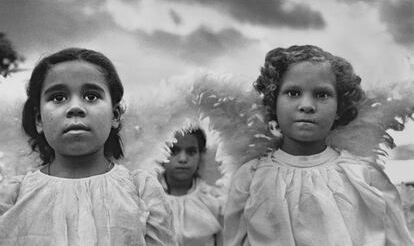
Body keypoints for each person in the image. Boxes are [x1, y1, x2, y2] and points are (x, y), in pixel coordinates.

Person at [223, 45, 414, 245]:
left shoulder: (364, 176)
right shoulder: (250, 178)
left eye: (322, 95)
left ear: (340, 107)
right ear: (273, 102)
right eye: (293, 93)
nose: (307, 105)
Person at [0, 48, 176, 245]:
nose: (75, 107)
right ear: (39, 120)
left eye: (91, 96)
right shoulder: (13, 196)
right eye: (58, 98)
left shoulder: (141, 191)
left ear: (115, 116)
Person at [161, 127, 223, 246]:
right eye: (174, 151)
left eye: (191, 152)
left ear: (201, 155)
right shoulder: (147, 199)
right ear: (161, 153)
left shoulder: (214, 200)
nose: (183, 159)